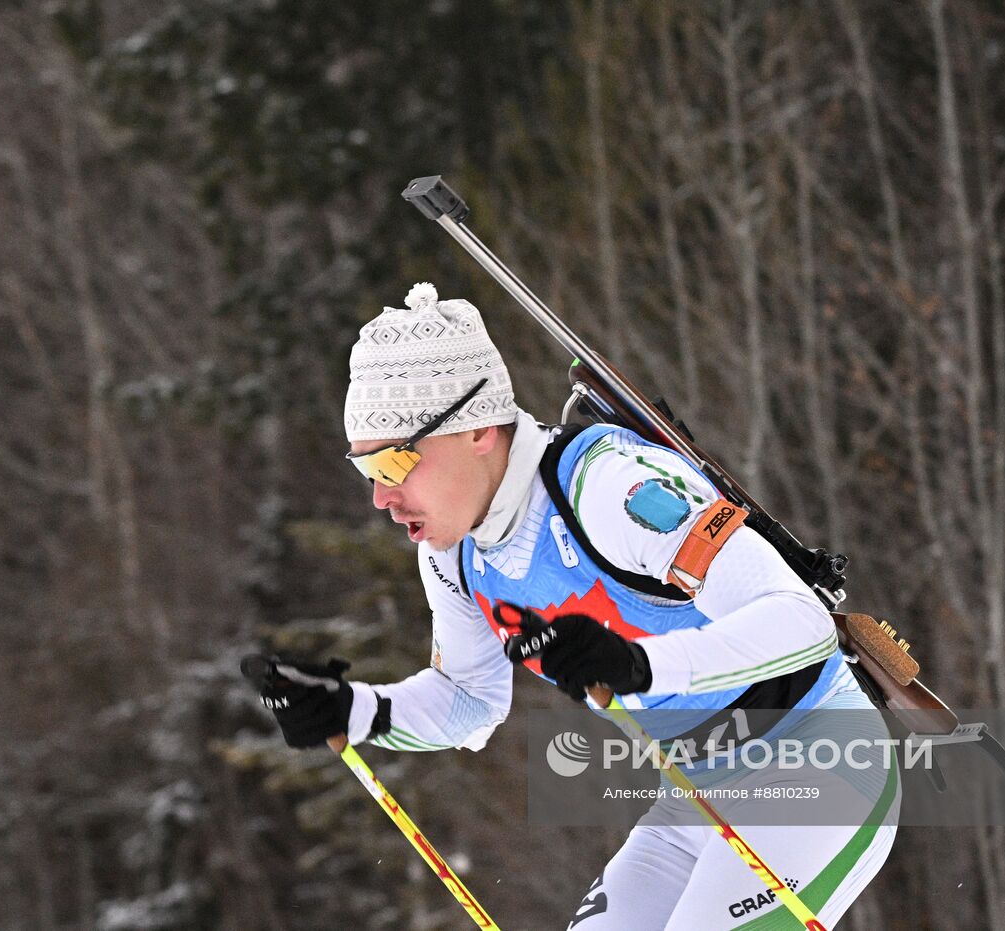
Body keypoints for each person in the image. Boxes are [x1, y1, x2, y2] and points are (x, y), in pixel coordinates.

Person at [257, 283, 899, 929]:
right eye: (365, 471)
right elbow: (471, 703)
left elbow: (801, 619)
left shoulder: (609, 485)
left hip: (819, 761)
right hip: (696, 797)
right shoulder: (453, 552)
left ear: (477, 427)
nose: (380, 498)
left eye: (394, 464)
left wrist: (639, 665)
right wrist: (355, 709)